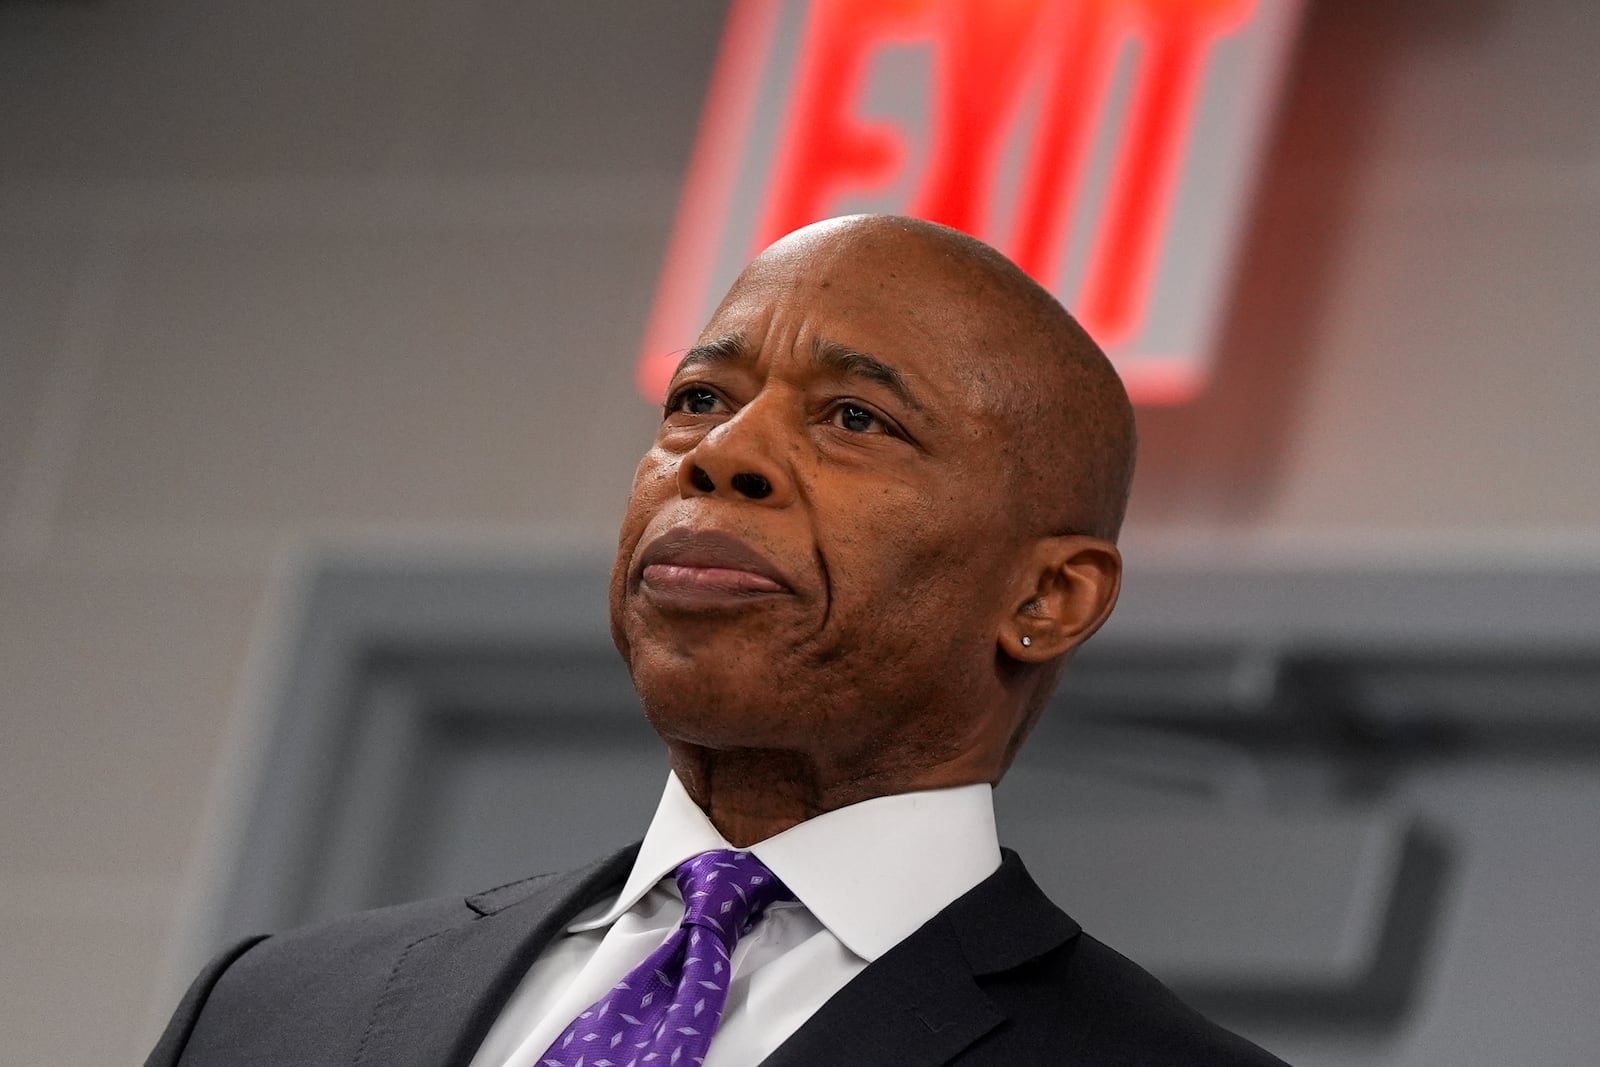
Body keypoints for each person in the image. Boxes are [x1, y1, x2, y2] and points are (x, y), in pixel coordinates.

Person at [146, 215, 1288, 1066]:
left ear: (1048, 596)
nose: (720, 452)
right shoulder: (269, 1009)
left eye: (856, 418)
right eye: (699, 397)